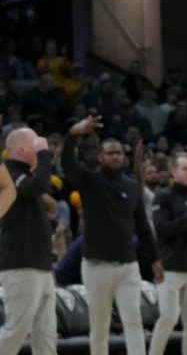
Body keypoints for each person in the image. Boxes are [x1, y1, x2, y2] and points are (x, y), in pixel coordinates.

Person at [62, 115, 162, 355]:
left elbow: (143, 227)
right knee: (100, 326)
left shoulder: (131, 187)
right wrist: (73, 135)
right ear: (100, 157)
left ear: (124, 158)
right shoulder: (90, 181)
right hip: (97, 265)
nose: (115, 156)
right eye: (110, 153)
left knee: (134, 320)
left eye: (119, 153)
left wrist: (156, 260)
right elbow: (68, 165)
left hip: (128, 265)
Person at [0, 128, 54, 354]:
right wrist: (44, 157)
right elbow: (36, 187)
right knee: (16, 331)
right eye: (36, 143)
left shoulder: (25, 176)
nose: (42, 146)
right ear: (23, 149)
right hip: (20, 264)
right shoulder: (9, 173)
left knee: (46, 336)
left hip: (40, 266)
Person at [148, 152, 187, 355]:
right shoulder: (164, 196)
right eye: (185, 169)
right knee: (169, 317)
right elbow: (161, 231)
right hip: (170, 267)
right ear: (173, 171)